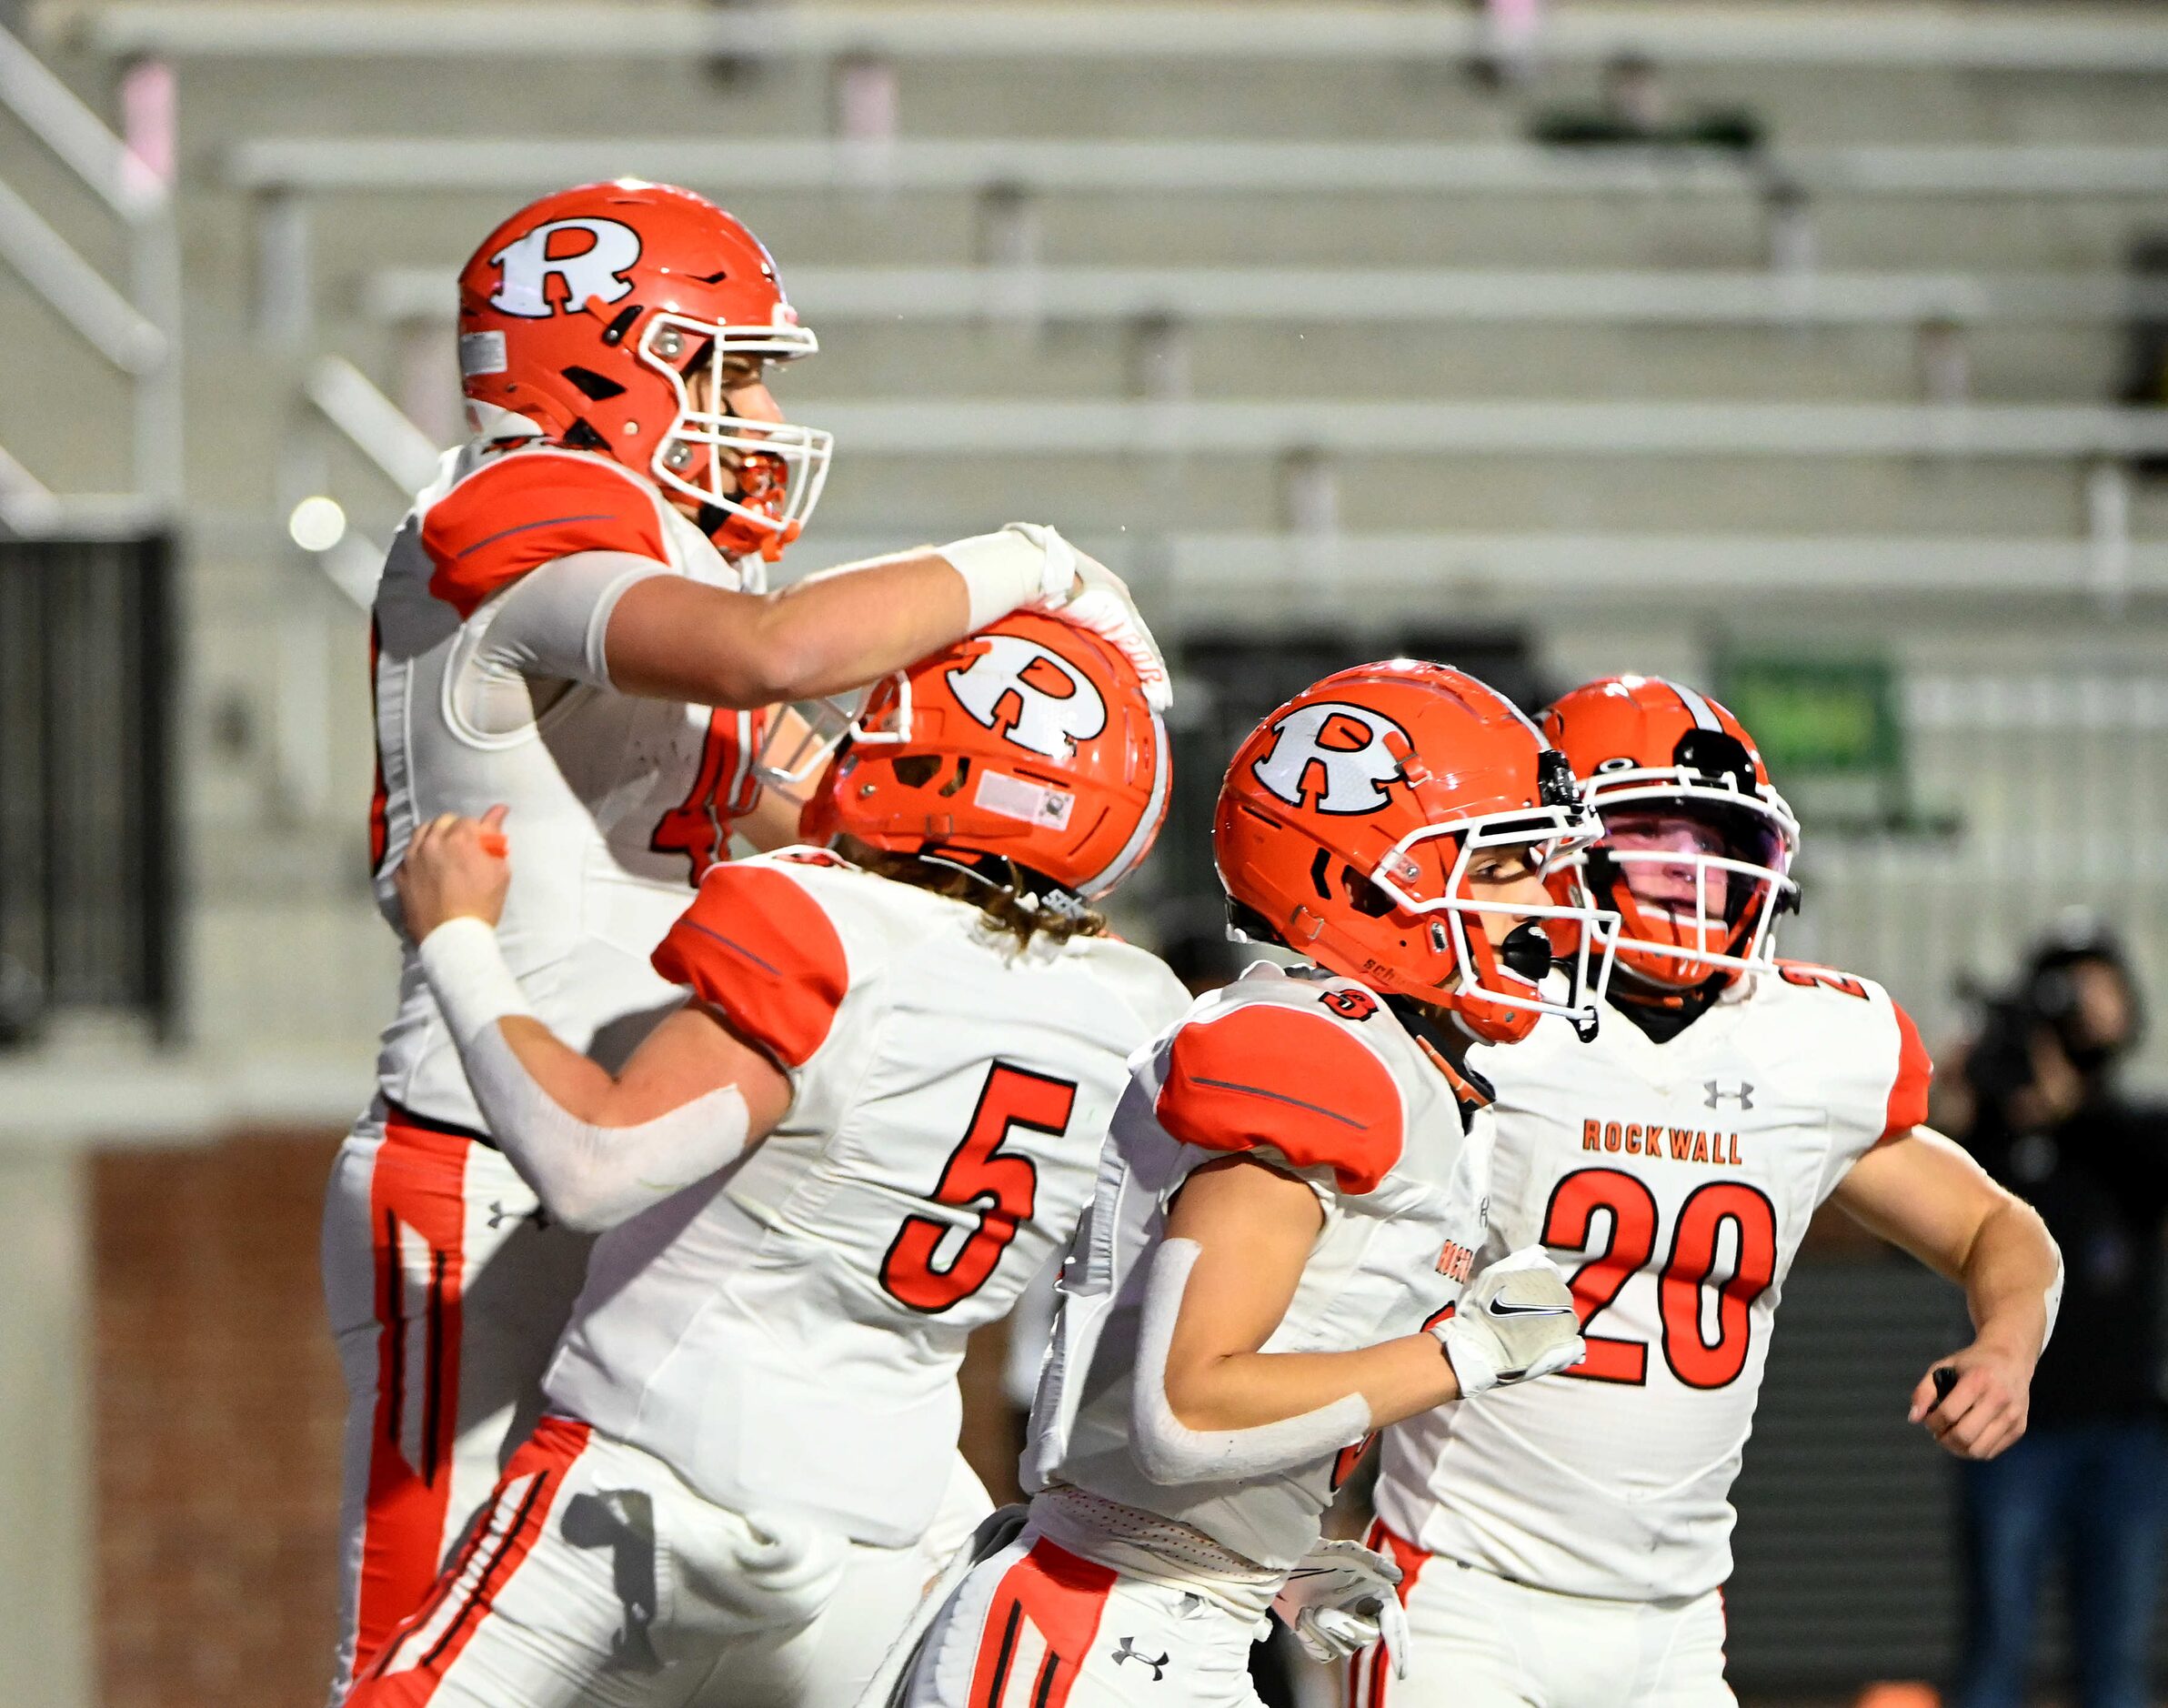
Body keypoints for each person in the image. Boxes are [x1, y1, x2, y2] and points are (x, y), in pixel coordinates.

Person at [325, 176, 1169, 1697]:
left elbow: (806, 796)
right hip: (491, 1155)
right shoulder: (510, 512)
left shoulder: (666, 559)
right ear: (602, 360)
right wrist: (1029, 560)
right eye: (730, 364)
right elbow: (779, 654)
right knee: (429, 1642)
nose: (761, 406)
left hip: (659, 1140)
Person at [346, 608, 1188, 1706]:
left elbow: (595, 1159)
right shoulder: (1134, 1005)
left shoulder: (823, 926)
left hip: (659, 1473)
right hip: (882, 1537)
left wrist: (457, 939)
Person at [884, 660, 1611, 1708]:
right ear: (1359, 881)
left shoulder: (1390, 1065)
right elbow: (1185, 1410)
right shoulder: (1312, 1057)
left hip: (1156, 1620)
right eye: (1502, 865)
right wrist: (1463, 1353)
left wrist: (1277, 1555)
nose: (1544, 903)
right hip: (1097, 1630)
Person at [1363, 674, 2065, 1708]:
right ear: (1563, 850)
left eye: (1715, 846)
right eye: (1657, 844)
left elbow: (1995, 1226)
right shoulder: (1480, 1021)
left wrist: (2005, 1344)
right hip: (1460, 1588)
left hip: (1678, 1618)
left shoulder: (1811, 1047)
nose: (1693, 883)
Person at [1939, 915, 2168, 1708]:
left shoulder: (2129, 1133)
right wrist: (1953, 1109)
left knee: (2119, 1666)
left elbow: (2146, 1172)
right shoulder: (1992, 1141)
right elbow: (1919, 1232)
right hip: (2016, 1431)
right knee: (1997, 1651)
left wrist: (2071, 1105)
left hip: (2128, 1433)